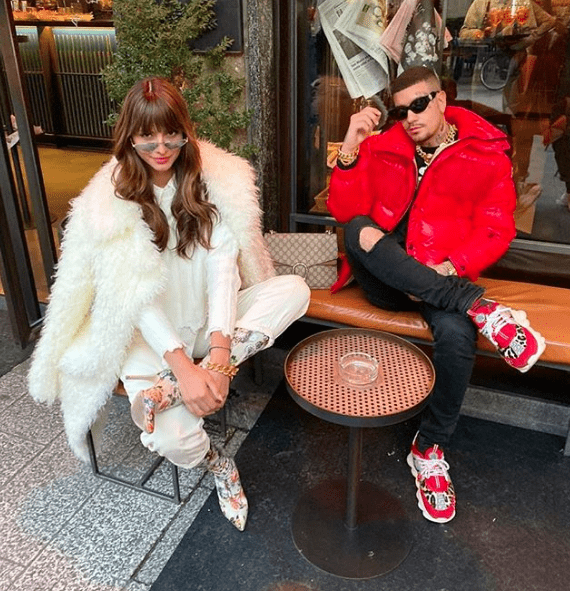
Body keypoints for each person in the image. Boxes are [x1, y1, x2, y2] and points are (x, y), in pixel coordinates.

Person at [27, 77, 310, 531]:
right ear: (129, 136)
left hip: (207, 324)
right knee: (176, 440)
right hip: (148, 339)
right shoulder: (111, 201)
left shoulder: (212, 180)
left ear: (185, 132)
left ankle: (175, 390)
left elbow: (223, 269)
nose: (161, 147)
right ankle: (219, 464)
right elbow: (135, 297)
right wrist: (182, 367)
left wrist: (218, 359)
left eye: (171, 134)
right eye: (147, 136)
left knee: (294, 290)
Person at [326, 66, 546, 524]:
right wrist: (351, 146)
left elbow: (496, 229)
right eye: (400, 111)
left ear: (442, 100)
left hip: (442, 279)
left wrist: (450, 268)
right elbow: (346, 211)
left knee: (458, 336)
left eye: (419, 105)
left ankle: (428, 449)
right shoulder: (383, 147)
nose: (409, 117)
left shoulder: (485, 153)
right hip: (386, 278)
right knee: (359, 228)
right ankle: (476, 304)